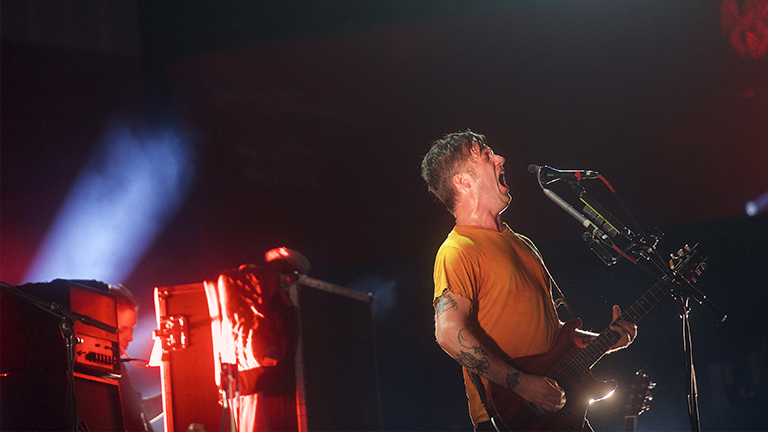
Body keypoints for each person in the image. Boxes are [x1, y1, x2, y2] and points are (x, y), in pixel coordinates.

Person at [421, 130, 637, 431]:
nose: (500, 159)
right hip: (514, 417)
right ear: (463, 181)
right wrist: (523, 385)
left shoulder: (522, 243)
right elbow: (447, 334)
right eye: (486, 156)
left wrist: (606, 340)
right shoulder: (457, 250)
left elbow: (553, 334)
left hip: (560, 411)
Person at [110, 284, 161, 432]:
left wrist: (175, 395)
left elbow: (134, 412)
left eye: (132, 328)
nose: (131, 337)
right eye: (123, 329)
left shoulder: (118, 365)